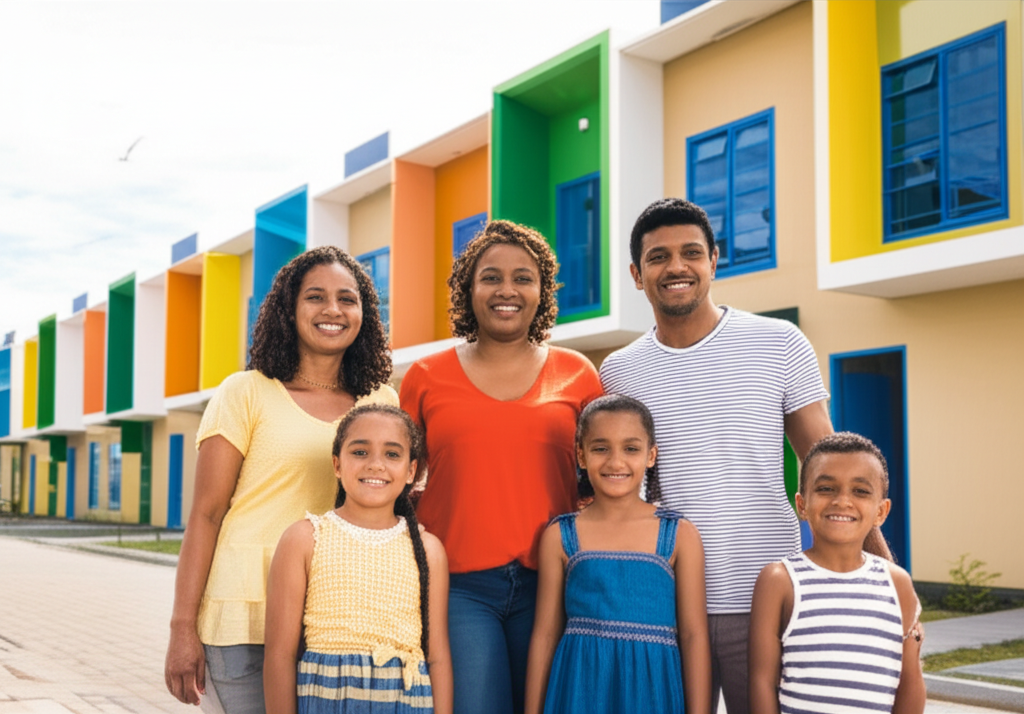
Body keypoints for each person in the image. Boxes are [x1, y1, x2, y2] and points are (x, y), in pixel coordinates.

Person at [600, 198, 866, 714]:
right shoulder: (619, 372)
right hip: (665, 604)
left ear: (714, 260)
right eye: (658, 257)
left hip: (767, 598)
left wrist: (879, 569)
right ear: (637, 274)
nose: (675, 267)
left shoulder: (779, 342)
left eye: (690, 253)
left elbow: (829, 466)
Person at [165, 246, 398, 712]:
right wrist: (181, 628)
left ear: (364, 313)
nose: (333, 310)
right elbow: (207, 514)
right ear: (289, 311)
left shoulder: (380, 399)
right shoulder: (245, 392)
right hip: (243, 617)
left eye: (347, 299)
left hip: (334, 618)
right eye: (316, 297)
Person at [400, 220, 603, 714]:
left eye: (523, 277)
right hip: (460, 586)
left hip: (554, 583)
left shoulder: (579, 374)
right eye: (490, 277)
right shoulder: (426, 376)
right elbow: (395, 480)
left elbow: (601, 483)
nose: (506, 290)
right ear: (468, 290)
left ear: (541, 291)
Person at [525, 394, 712, 714]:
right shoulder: (560, 535)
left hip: (652, 694)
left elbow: (694, 637)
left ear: (651, 455)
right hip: (579, 690)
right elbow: (544, 635)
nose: (615, 462)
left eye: (631, 448)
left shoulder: (680, 535)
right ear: (581, 456)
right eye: (600, 448)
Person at [263, 404, 453, 714]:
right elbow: (280, 655)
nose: (376, 464)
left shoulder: (429, 550)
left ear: (411, 471)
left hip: (405, 703)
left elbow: (438, 657)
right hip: (326, 701)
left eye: (392, 454)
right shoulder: (304, 539)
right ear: (337, 464)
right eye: (360, 452)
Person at [748, 432, 925, 714]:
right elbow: (761, 681)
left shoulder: (897, 583)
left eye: (860, 491)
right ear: (802, 504)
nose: (842, 501)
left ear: (881, 511)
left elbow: (909, 682)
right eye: (826, 488)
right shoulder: (779, 581)